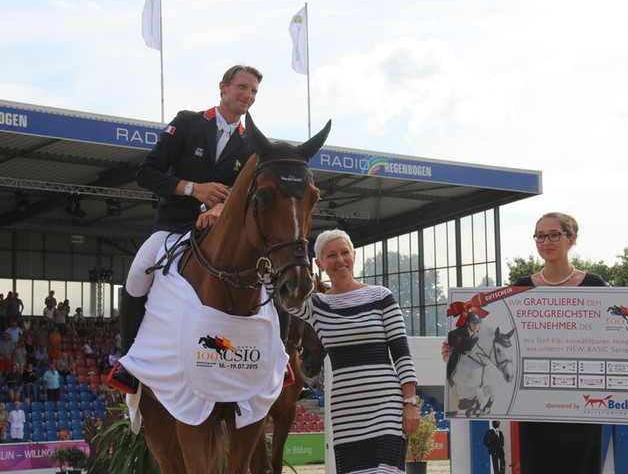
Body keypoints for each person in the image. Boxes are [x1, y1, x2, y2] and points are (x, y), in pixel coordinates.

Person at [107, 64, 262, 395]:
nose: (248, 96)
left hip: (222, 229)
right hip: (174, 226)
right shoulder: (188, 122)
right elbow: (146, 173)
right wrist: (194, 189)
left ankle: (278, 359)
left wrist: (220, 207)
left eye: (253, 91)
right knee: (136, 276)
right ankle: (128, 362)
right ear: (223, 87)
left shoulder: (251, 145)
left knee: (267, 279)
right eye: (242, 87)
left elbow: (243, 191)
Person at [287, 229, 419, 474]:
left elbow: (401, 352)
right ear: (319, 264)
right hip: (346, 410)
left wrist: (410, 402)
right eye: (331, 255)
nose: (340, 260)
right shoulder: (317, 306)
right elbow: (283, 295)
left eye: (345, 253)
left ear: (354, 255)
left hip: (387, 405)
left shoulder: (381, 296)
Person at [511, 211, 606, 474]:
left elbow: (615, 338)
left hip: (582, 405)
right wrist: (459, 350)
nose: (546, 241)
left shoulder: (594, 285)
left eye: (554, 234)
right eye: (540, 236)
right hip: (536, 405)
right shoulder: (522, 287)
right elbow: (506, 340)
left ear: (571, 239)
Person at [445, 310, 482, 386]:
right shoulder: (460, 332)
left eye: (478, 323)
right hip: (455, 350)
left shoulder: (477, 333)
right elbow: (464, 347)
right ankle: (450, 375)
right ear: (468, 323)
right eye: (474, 323)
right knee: (456, 353)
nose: (476, 326)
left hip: (465, 353)